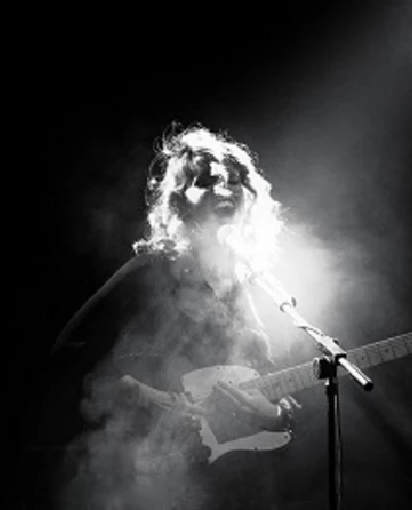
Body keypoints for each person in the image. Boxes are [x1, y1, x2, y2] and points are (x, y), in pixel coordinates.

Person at [41, 123, 298, 510]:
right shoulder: (151, 272)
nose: (225, 189)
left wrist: (276, 414)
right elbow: (69, 356)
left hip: (242, 482)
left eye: (236, 181)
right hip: (159, 482)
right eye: (207, 182)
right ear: (179, 202)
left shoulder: (251, 286)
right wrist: (149, 398)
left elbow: (272, 393)